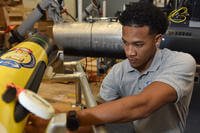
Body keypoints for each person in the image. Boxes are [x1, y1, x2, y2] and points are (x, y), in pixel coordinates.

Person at [67, 2, 196, 133]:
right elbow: (98, 111)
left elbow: (143, 105)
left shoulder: (181, 62)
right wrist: (60, 123)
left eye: (138, 45)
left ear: (157, 40)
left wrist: (75, 118)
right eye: (125, 43)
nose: (129, 52)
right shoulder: (119, 71)